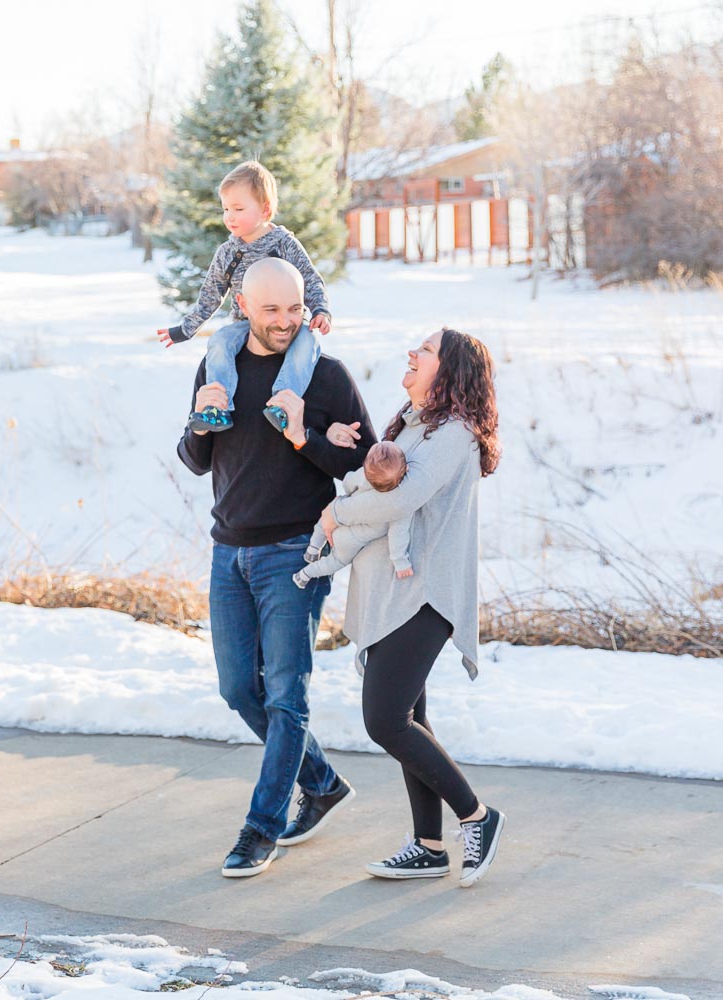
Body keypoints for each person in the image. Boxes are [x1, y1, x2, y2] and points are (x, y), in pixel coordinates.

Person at [177, 257, 375, 878]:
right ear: (242, 307)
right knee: (240, 688)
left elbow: (368, 464)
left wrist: (304, 435)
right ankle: (322, 783)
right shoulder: (219, 366)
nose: (287, 321)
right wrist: (201, 420)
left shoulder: (326, 375)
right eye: (272, 310)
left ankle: (260, 828)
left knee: (287, 694)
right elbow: (194, 459)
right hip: (229, 549)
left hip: (296, 552)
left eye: (295, 308)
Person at [316, 327, 505, 887]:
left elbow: (398, 497)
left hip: (423, 595)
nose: (412, 353)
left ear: (450, 370)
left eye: (425, 350)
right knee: (411, 721)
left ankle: (477, 816)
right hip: (393, 594)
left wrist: (336, 516)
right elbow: (378, 477)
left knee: (385, 721)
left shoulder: (455, 433)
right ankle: (428, 846)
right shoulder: (415, 424)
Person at [156, 161, 332, 435]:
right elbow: (211, 294)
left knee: (308, 343)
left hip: (289, 323)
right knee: (219, 341)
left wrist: (320, 309)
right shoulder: (227, 253)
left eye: (238, 209)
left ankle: (283, 404)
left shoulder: (284, 244)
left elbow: (310, 278)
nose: (230, 217)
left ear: (265, 210)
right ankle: (217, 408)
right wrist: (186, 329)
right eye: (226, 209)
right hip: (246, 326)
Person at [292, 441, 412, 589]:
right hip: (350, 540)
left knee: (325, 519)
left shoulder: (363, 475)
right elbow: (398, 536)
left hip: (340, 519)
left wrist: (349, 494)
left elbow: (348, 482)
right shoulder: (399, 508)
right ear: (406, 469)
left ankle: (313, 548)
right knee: (334, 561)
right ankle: (305, 574)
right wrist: (400, 563)